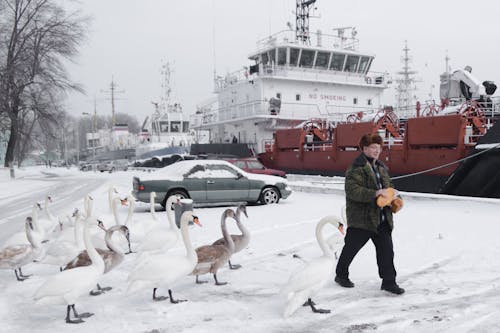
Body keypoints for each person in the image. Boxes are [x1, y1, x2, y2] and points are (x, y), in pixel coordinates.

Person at [334, 133, 405, 295]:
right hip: (362, 219)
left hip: (382, 218)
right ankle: (341, 274)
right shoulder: (356, 168)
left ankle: (389, 282)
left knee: (387, 251)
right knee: (351, 248)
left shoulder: (381, 168)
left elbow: (389, 187)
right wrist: (374, 193)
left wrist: (395, 197)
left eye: (378, 148)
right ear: (364, 148)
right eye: (373, 147)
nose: (376, 151)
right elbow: (353, 191)